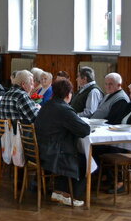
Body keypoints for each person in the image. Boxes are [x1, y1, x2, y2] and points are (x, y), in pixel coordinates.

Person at [35, 79, 90, 207]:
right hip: (54, 153)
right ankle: (69, 194)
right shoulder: (64, 109)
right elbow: (84, 130)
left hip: (42, 149)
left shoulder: (47, 105)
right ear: (68, 94)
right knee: (85, 160)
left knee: (76, 154)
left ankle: (59, 191)